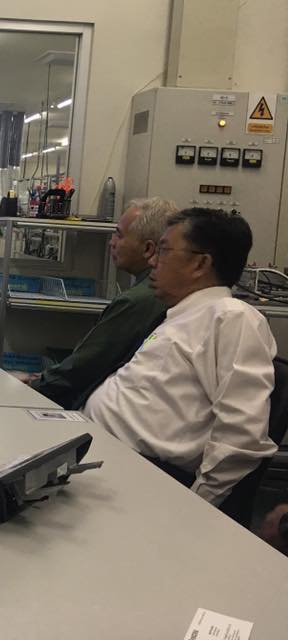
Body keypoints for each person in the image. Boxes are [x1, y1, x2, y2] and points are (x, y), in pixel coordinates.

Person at [84, 208, 277, 506]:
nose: (152, 261)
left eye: (163, 251)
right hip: (104, 455)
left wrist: (195, 507)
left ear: (200, 263)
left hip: (139, 478)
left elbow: (242, 438)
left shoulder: (231, 318)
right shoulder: (183, 316)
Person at [30, 198, 178, 409]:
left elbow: (80, 370)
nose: (112, 242)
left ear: (148, 249)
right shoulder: (164, 294)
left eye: (119, 235)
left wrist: (31, 385)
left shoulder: (136, 301)